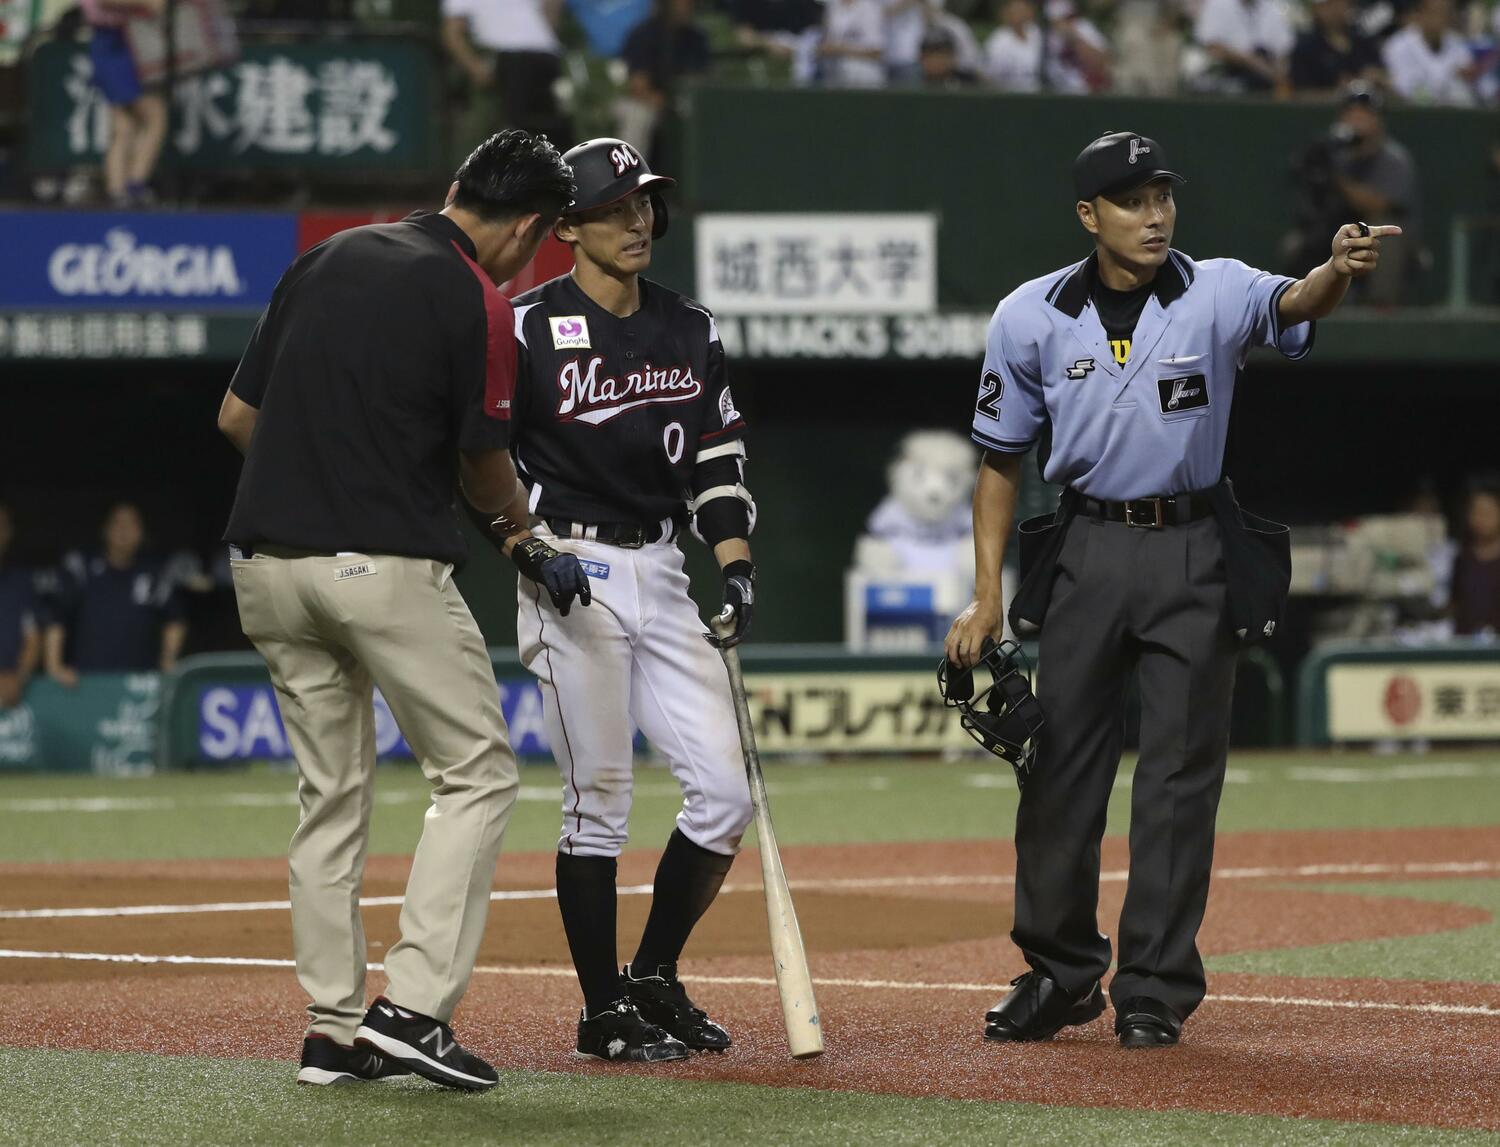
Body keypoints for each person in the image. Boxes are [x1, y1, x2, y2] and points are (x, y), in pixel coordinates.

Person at [946, 131, 1397, 1049]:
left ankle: (1153, 985)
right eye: (1132, 200)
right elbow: (998, 462)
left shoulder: (1218, 288)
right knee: (1059, 769)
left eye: (1163, 196)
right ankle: (1061, 971)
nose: (1155, 216)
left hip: (1194, 544)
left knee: (1179, 778)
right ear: (1089, 215)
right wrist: (986, 595)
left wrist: (1337, 270)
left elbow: (1298, 301)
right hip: (1085, 547)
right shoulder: (1029, 314)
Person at [217, 130, 584, 1091]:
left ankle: (333, 1031)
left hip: (264, 566)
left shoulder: (327, 254)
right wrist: (526, 536)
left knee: (330, 795)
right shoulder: (478, 298)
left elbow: (237, 418)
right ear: (532, 229)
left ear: (456, 186)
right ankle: (414, 1009)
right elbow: (483, 465)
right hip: (378, 567)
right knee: (478, 772)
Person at [509, 137, 757, 1063]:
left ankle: (652, 974)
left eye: (643, 202)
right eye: (613, 208)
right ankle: (601, 1006)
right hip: (569, 564)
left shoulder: (688, 327)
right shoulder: (526, 326)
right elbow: (480, 455)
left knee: (725, 794)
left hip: (663, 563)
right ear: (566, 227)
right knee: (600, 800)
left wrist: (736, 563)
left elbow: (717, 459)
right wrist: (529, 546)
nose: (636, 220)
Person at [1286, 84, 1419, 304]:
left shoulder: (1393, 158)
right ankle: (1304, 307)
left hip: (1381, 232)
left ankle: (1380, 311)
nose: (1357, 120)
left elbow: (1378, 205)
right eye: (1351, 113)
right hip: (1339, 228)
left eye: (1364, 114)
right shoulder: (1335, 153)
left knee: (1386, 241)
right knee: (1298, 243)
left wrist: (1336, 180)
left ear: (1378, 120)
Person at [44, 502, 185, 684]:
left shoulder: (153, 574)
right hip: (85, 681)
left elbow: (175, 619)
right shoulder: (83, 569)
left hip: (138, 682)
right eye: (117, 523)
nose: (124, 530)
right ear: (105, 529)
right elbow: (56, 618)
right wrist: (54, 665)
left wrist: (167, 661)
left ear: (141, 533)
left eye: (131, 524)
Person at [441, 0, 572, 154]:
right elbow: (453, 32)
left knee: (544, 132)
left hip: (535, 57)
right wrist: (476, 68)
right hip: (524, 57)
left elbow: (452, 32)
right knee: (526, 132)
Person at [82, 0, 167, 204]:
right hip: (116, 45)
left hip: (124, 42)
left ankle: (118, 191)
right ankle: (134, 185)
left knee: (124, 126)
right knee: (155, 117)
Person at [618, 0, 712, 166]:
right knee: (638, 116)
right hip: (645, 102)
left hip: (685, 104)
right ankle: (627, 177)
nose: (687, 6)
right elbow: (638, 85)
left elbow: (704, 78)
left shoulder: (696, 37)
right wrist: (663, 102)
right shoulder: (644, 33)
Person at [1382, 0, 1479, 105]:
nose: (1444, 18)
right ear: (1422, 13)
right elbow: (1405, 89)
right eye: (1438, 12)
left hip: (1454, 111)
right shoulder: (1398, 45)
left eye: (1447, 12)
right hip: (1414, 111)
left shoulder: (1457, 43)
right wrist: (1450, 76)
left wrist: (1466, 78)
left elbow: (1470, 90)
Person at [1190, 0, 1295, 94]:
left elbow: (1283, 50)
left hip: (1265, 79)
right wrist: (1253, 62)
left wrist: (1279, 76)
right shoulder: (1217, 4)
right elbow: (1213, 47)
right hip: (1229, 74)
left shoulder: (1271, 8)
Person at [1289, 0, 1386, 96]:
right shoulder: (1306, 48)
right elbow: (1300, 93)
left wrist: (1374, 78)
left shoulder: (1365, 42)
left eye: (1339, 3)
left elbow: (1384, 78)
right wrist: (1340, 92)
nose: (1335, 9)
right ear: (1316, 9)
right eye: (1328, 5)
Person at [0, 501, 40, 711]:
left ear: (8, 533)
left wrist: (18, 677)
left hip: (10, 692)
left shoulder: (21, 583)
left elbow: (33, 639)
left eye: (1, 526)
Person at [1451, 477, 1500, 636]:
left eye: (1487, 513)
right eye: (1476, 512)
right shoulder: (1462, 558)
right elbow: (1455, 602)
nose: (1481, 519)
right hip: (1466, 642)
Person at [819, 0, 889, 87]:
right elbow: (827, 42)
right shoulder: (833, 6)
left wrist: (840, 49)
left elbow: (877, 51)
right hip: (836, 76)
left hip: (865, 78)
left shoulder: (870, 7)